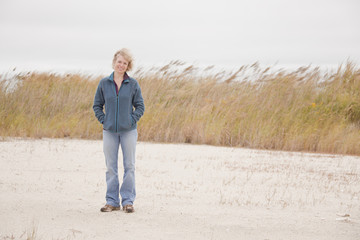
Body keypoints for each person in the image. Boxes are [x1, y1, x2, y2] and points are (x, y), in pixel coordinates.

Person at [93, 48, 145, 213]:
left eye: (125, 63)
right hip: (109, 131)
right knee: (111, 167)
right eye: (119, 61)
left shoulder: (133, 84)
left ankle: (128, 201)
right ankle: (112, 201)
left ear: (128, 66)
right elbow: (97, 106)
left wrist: (131, 120)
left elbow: (140, 106)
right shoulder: (104, 83)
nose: (121, 65)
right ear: (114, 62)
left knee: (129, 165)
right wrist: (104, 120)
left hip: (128, 131)